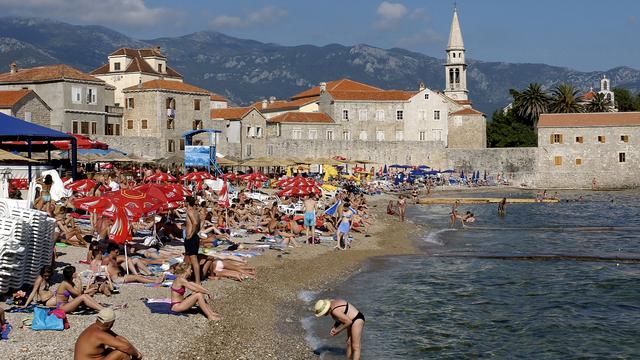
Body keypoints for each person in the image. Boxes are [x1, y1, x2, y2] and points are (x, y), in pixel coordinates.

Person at [74, 308, 142, 360]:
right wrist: (136, 355)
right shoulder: (99, 334)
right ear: (110, 324)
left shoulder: (96, 327)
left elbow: (118, 338)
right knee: (122, 353)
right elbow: (126, 347)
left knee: (111, 349)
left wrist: (135, 351)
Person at [185, 197, 202, 284]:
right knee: (187, 259)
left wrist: (190, 234)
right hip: (195, 236)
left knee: (193, 259)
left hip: (191, 237)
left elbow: (195, 223)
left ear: (187, 203)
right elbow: (199, 224)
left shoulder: (189, 211)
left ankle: (198, 281)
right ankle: (186, 277)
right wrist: (195, 233)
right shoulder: (196, 212)